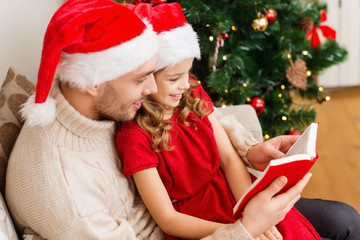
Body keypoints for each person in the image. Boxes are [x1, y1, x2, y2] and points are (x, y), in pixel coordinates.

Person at [5, 0, 313, 239]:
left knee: (344, 220)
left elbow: (195, 120)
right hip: (194, 228)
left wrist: (249, 151)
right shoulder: (68, 199)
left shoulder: (101, 101)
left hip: (220, 207)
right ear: (93, 82)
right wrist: (245, 228)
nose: (152, 89)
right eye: (141, 80)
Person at [116, 3, 321, 240]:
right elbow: (168, 219)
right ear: (145, 77)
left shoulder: (192, 93)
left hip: (235, 193)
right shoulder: (134, 136)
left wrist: (250, 212)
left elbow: (229, 158)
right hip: (198, 221)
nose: (185, 85)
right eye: (174, 78)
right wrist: (242, 229)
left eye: (187, 73)